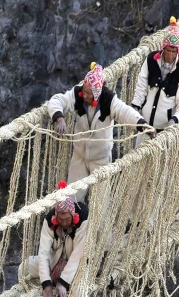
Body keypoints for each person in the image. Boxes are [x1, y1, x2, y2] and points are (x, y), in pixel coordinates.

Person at [48, 62, 150, 201]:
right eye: (84, 90)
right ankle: (76, 222)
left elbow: (125, 112)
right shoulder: (77, 95)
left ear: (97, 93)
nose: (84, 95)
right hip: (79, 157)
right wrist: (59, 118)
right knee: (72, 198)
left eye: (88, 93)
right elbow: (57, 100)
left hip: (101, 160)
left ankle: (99, 224)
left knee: (100, 203)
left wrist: (142, 125)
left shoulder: (109, 100)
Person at [22, 182, 90, 297]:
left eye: (67, 219)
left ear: (73, 215)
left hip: (78, 265)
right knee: (25, 266)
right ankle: (26, 291)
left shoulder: (83, 219)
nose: (64, 222)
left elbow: (78, 255)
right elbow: (43, 252)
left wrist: (62, 283)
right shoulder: (50, 220)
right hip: (56, 259)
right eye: (60, 218)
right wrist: (46, 285)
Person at [130, 16, 179, 143]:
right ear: (163, 48)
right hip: (144, 128)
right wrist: (135, 111)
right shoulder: (151, 60)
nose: (170, 55)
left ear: (178, 51)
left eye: (174, 51)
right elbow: (141, 87)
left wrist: (174, 121)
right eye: (168, 50)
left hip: (165, 133)